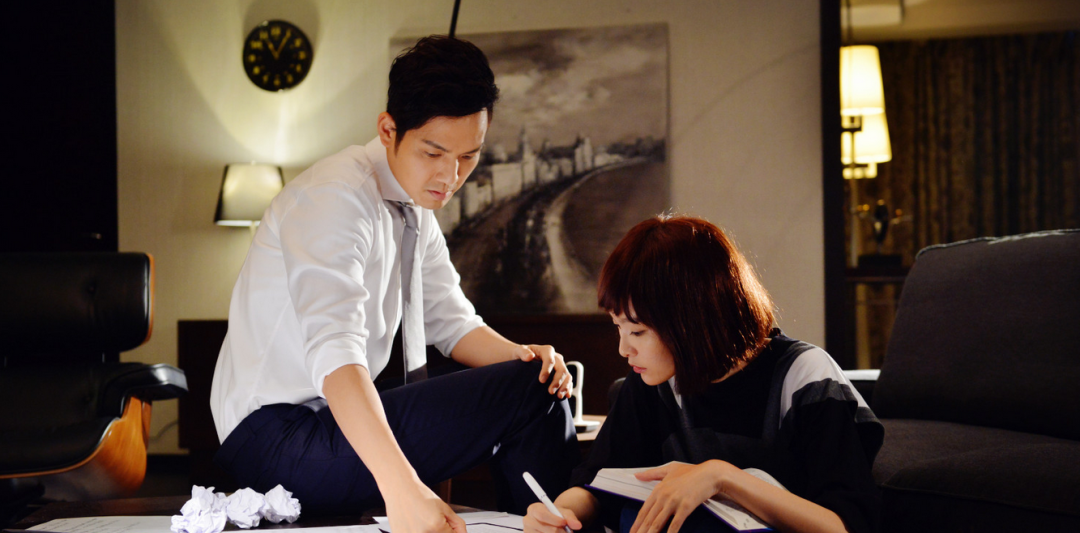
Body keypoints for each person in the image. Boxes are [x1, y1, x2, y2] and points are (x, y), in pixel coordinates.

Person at [210, 36, 579, 533]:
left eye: (468, 157)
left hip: (324, 423)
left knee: (535, 380)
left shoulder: (413, 204)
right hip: (274, 438)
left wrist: (529, 357)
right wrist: (403, 489)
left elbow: (452, 322)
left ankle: (545, 522)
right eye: (434, 152)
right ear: (388, 130)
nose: (450, 176)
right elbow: (336, 353)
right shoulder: (335, 198)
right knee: (526, 391)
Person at [524, 216, 883, 533]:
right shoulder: (653, 380)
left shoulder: (805, 377)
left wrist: (722, 478)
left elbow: (844, 525)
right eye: (618, 327)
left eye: (637, 331)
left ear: (692, 320)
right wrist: (561, 513)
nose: (624, 349)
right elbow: (596, 482)